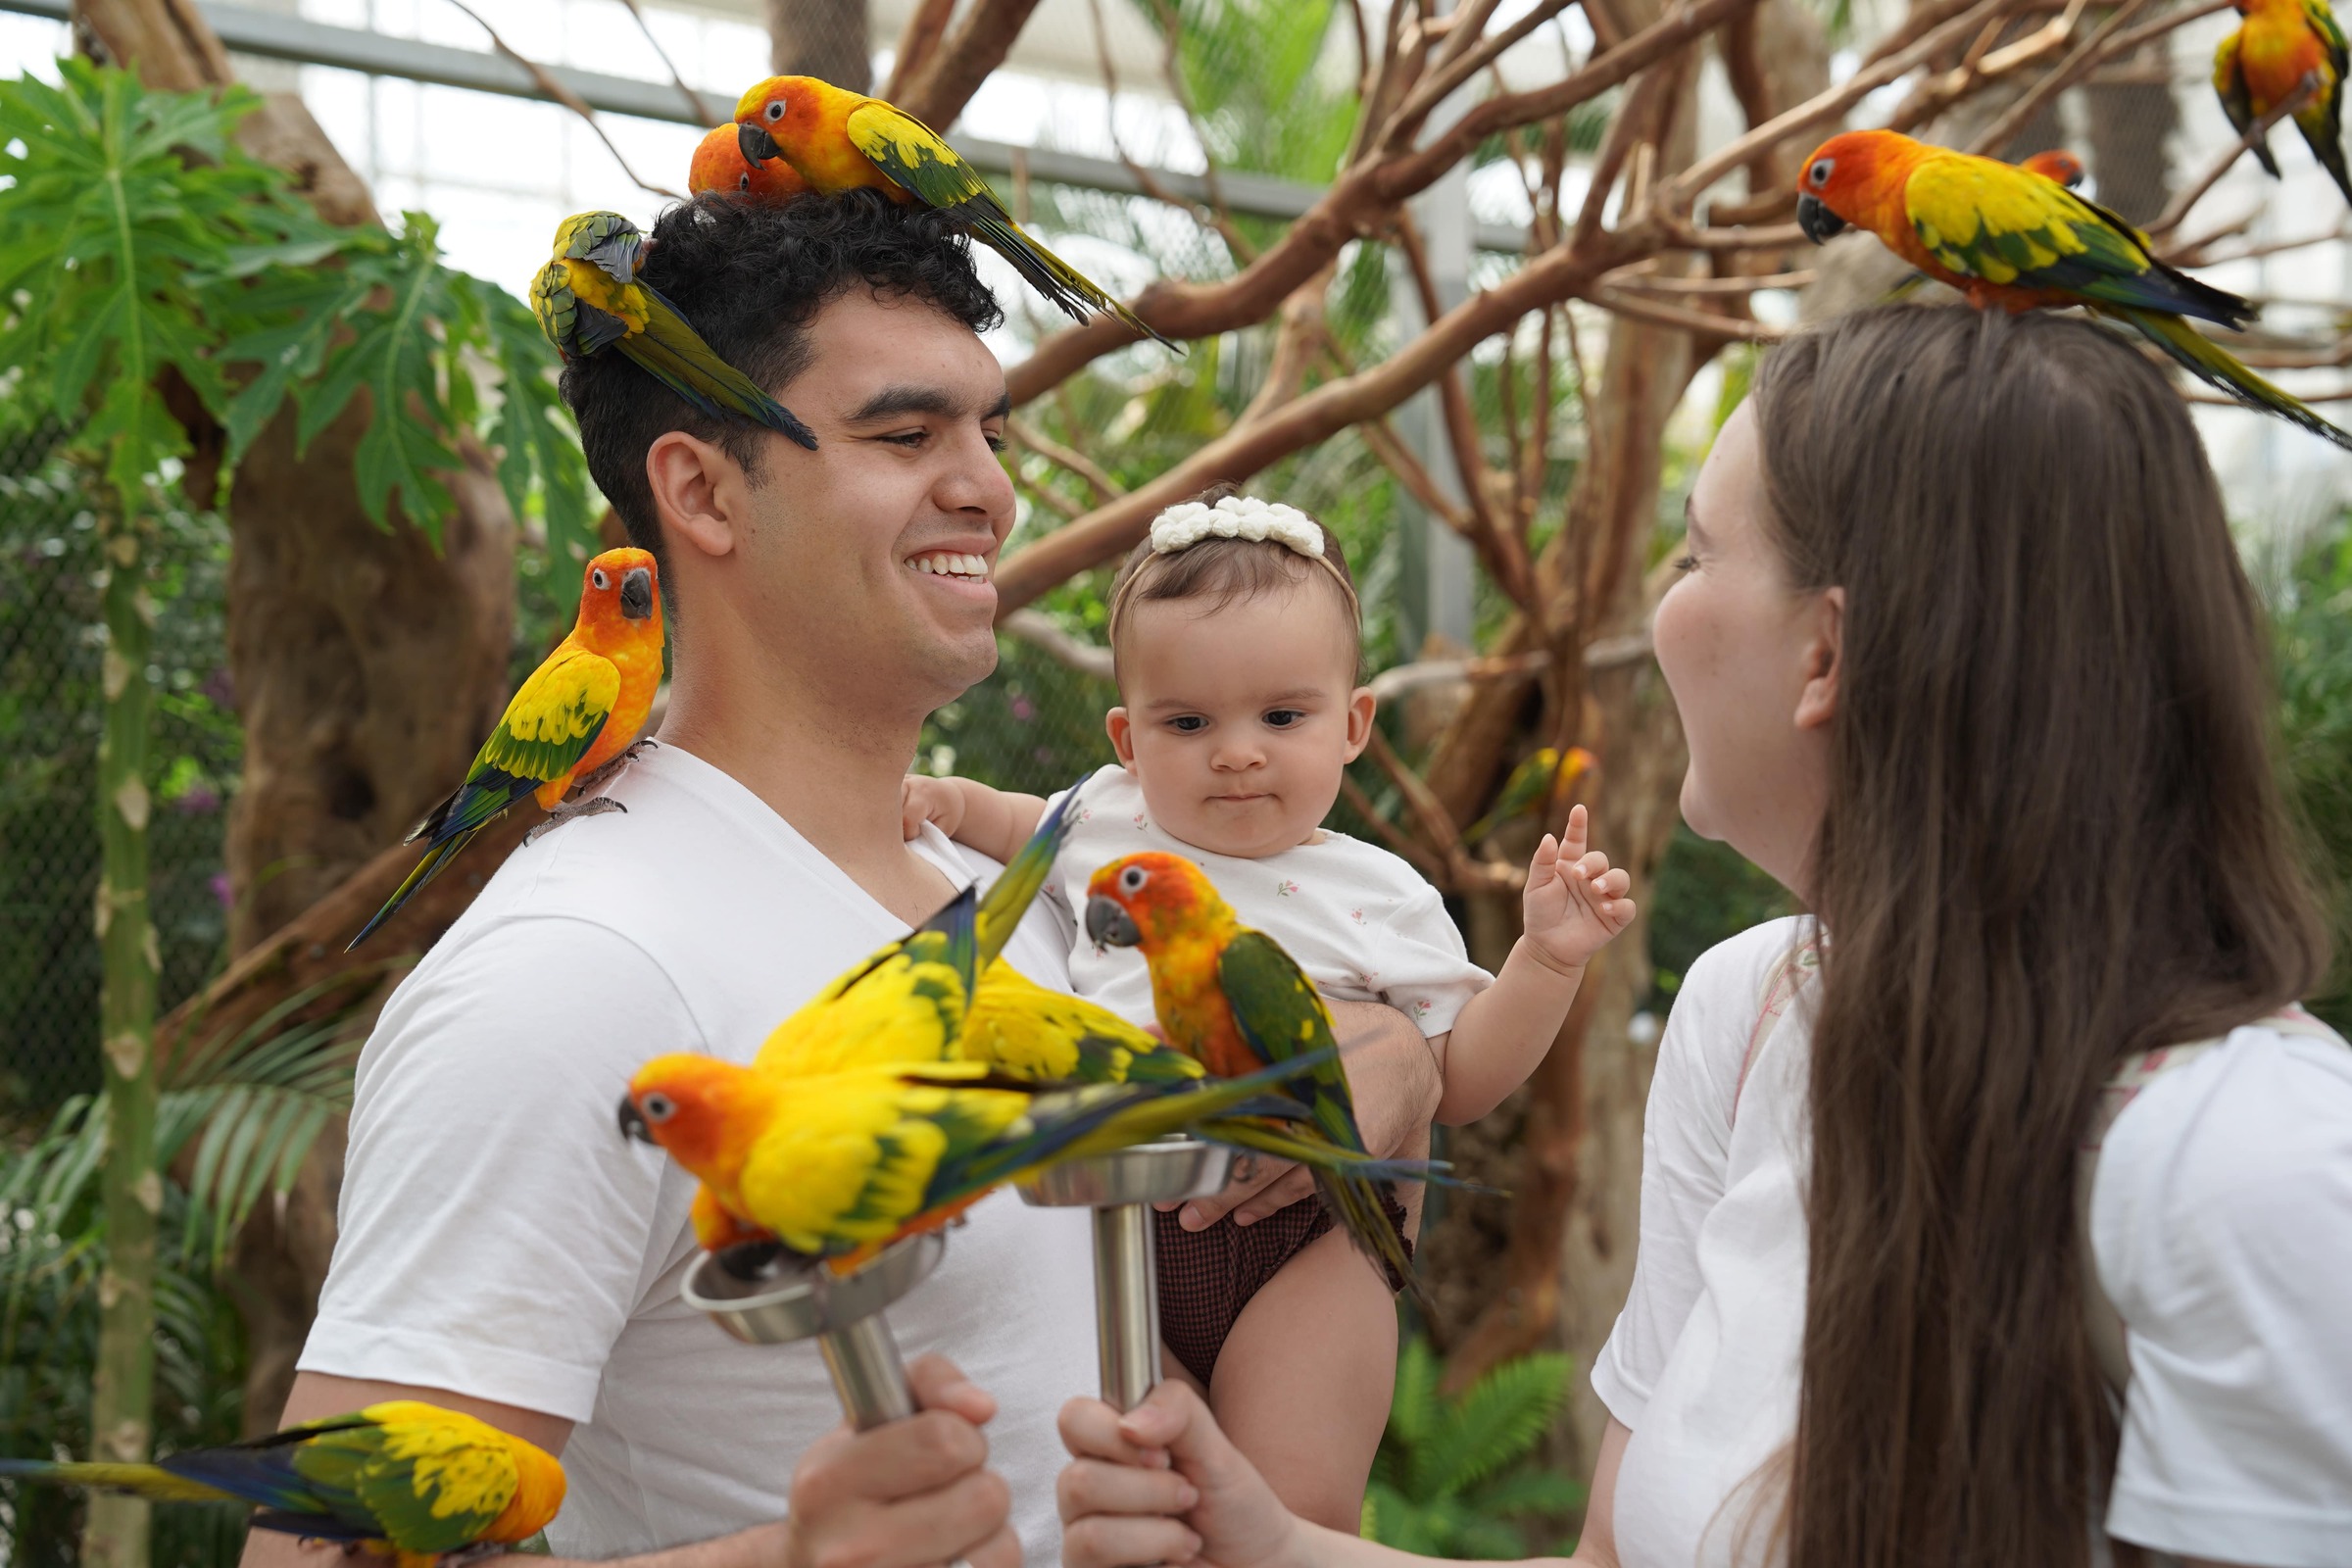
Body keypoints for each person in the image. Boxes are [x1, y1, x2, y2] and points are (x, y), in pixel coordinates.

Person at [1054, 304, 2352, 1568]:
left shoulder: (2255, 1162)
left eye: (1690, 557)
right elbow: (1611, 1558)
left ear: (1824, 655)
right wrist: (1272, 1545)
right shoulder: (1751, 1011)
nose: (1659, 613)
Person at [251, 192, 1444, 1567]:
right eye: (904, 435)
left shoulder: (1010, 904)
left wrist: (1392, 1047)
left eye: (988, 433)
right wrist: (787, 1557)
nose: (989, 487)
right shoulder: (573, 972)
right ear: (700, 491)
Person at [902, 493, 1636, 1530]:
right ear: (1127, 738)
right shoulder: (1107, 818)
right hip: (1115, 1234)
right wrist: (945, 803)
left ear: (1352, 725)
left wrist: (1547, 962)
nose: (1236, 752)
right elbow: (1020, 818)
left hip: (1309, 1244)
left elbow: (1461, 1076)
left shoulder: (1380, 893)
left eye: (1281, 717)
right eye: (1188, 722)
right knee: (1150, 1507)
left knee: (1288, 1515)